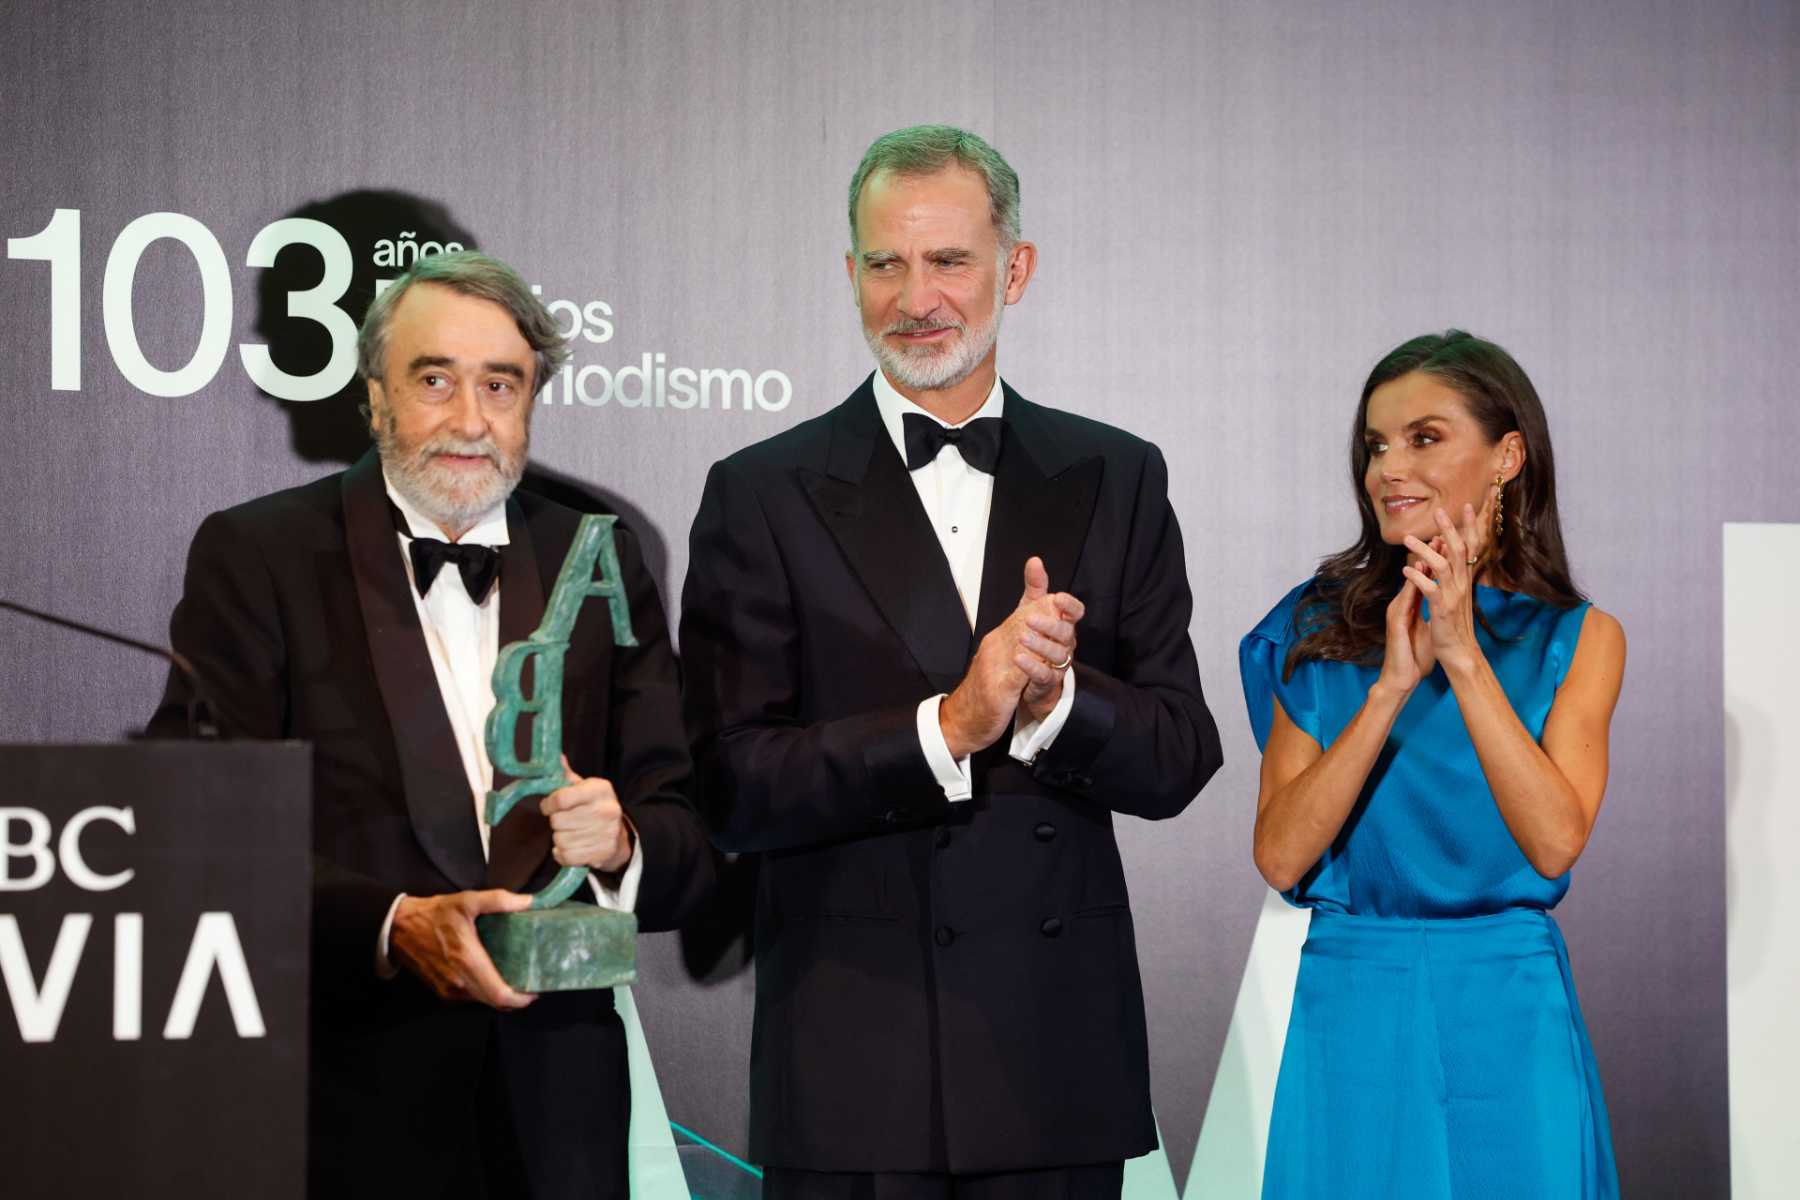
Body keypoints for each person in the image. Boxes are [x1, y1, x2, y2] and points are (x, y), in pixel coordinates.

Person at [680, 124, 1223, 1199]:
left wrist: (1059, 704)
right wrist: (948, 728)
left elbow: (1178, 756)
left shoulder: (1116, 474)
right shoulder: (763, 492)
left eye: (948, 261)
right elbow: (732, 787)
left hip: (1053, 1067)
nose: (914, 296)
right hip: (854, 1072)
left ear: (1014, 270)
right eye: (884, 263)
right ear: (849, 275)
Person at [149, 250, 715, 1200]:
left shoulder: (601, 551)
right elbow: (202, 825)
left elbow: (690, 826)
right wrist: (392, 922)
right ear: (374, 397)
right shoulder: (260, 554)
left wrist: (621, 843)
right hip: (344, 1107)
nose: (469, 419)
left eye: (501, 383)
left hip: (561, 1122)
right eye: (434, 379)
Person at [1241, 330, 1624, 1198]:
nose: (1388, 468)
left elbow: (1555, 842)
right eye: (1376, 445)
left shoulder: (1580, 638)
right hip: (1354, 994)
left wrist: (1464, 659)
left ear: (1507, 456)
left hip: (1508, 1000)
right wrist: (1387, 688)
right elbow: (1279, 855)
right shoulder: (1313, 625)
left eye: (1424, 438)